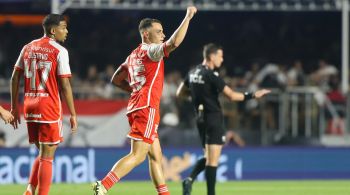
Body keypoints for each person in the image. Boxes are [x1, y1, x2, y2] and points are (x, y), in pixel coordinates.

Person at [92, 6, 197, 195]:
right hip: (147, 108)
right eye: (159, 32)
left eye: (163, 31)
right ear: (146, 34)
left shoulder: (133, 55)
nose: (163, 35)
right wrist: (188, 17)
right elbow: (174, 43)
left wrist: (135, 90)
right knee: (138, 155)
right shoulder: (152, 51)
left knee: (156, 156)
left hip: (136, 106)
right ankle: (102, 187)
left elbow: (116, 79)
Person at [176, 43, 270, 195]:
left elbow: (180, 93)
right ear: (212, 57)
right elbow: (232, 96)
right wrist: (253, 95)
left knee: (208, 156)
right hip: (213, 118)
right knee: (213, 161)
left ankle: (189, 179)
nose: (222, 59)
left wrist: (196, 96)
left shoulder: (193, 72)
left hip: (200, 119)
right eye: (220, 56)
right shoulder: (211, 75)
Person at [10, 14, 78, 195]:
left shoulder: (28, 47)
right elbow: (64, 84)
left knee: (43, 152)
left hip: (30, 106)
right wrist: (73, 114)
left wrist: (14, 107)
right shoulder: (59, 51)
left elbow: (15, 77)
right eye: (63, 27)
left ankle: (29, 190)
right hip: (48, 106)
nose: (67, 31)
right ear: (53, 31)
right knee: (48, 157)